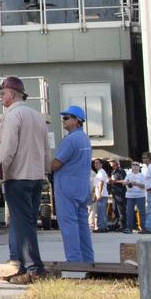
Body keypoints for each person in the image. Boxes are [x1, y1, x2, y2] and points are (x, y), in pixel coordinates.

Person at [0, 75, 50, 284]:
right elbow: (46, 149)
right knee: (28, 223)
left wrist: (1, 173)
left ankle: (34, 268)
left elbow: (7, 148)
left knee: (21, 222)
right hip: (36, 176)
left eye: (2, 93)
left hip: (17, 176)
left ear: (11, 94)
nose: (1, 96)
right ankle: (19, 262)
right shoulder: (37, 116)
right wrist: (44, 170)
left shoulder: (12, 116)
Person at [49, 106, 94, 263]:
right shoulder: (85, 138)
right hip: (81, 188)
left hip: (67, 188)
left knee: (69, 226)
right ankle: (88, 261)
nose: (63, 120)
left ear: (76, 120)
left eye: (66, 118)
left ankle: (74, 261)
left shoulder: (71, 140)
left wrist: (43, 164)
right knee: (82, 227)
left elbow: (56, 164)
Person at [123, 161, 147, 234]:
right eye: (133, 165)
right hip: (130, 195)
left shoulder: (142, 175)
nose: (135, 166)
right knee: (129, 212)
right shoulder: (128, 175)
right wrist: (129, 182)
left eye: (136, 165)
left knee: (142, 212)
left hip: (140, 195)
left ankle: (143, 228)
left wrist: (136, 183)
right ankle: (129, 228)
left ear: (139, 167)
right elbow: (124, 183)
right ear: (131, 166)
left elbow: (144, 186)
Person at [108, 159, 127, 230]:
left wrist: (114, 181)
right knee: (115, 209)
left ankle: (123, 226)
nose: (110, 163)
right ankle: (116, 224)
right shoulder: (113, 171)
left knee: (121, 209)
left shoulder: (121, 171)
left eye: (111, 161)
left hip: (120, 192)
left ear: (115, 162)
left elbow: (124, 181)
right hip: (114, 193)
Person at [91, 159, 109, 232]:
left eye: (97, 163)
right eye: (95, 163)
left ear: (101, 164)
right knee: (100, 212)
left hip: (102, 195)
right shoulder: (98, 172)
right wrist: (95, 195)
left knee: (102, 212)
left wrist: (100, 194)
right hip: (99, 194)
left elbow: (101, 183)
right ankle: (101, 226)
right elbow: (96, 186)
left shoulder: (101, 172)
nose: (96, 164)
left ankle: (103, 227)